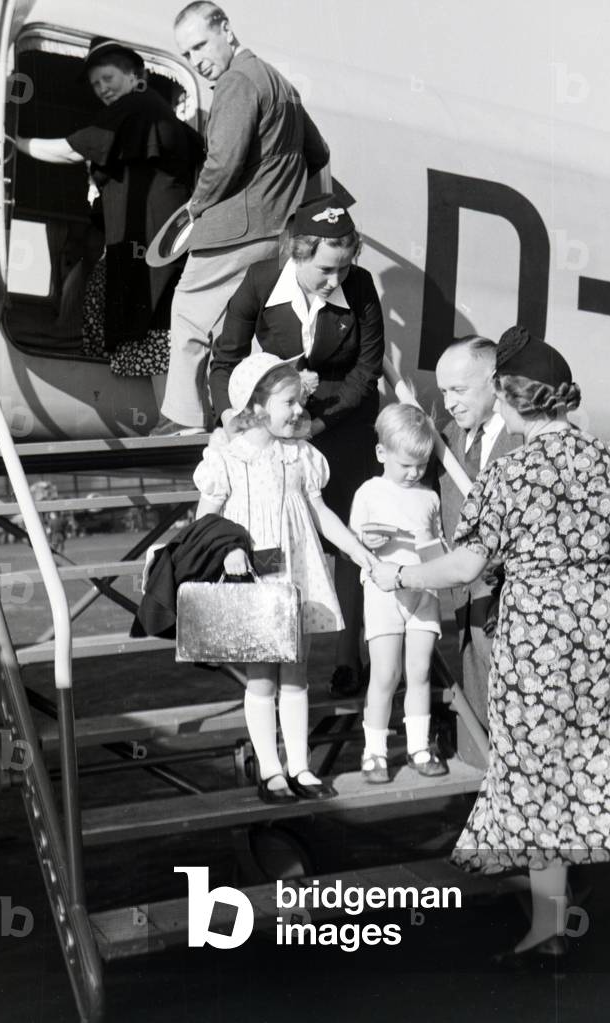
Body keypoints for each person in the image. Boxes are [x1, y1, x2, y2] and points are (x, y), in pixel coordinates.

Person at [370, 326, 610, 967]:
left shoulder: (511, 472)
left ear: (509, 399)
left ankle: (547, 930)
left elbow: (466, 566)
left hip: (533, 638)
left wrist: (402, 575)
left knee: (535, 780)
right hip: (602, 632)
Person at [210, 194, 385, 696]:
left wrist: (319, 427)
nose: (337, 281)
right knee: (276, 533)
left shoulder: (361, 286)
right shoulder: (261, 282)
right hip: (276, 420)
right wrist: (233, 419)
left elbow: (366, 372)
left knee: (345, 537)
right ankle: (274, 655)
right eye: (327, 270)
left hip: (341, 422)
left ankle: (349, 655)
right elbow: (226, 360)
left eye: (345, 268)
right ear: (297, 253)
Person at [192, 353, 375, 804]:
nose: (300, 411)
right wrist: (229, 549)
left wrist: (355, 548)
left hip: (298, 574)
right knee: (262, 678)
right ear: (255, 406)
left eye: (299, 401)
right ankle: (270, 768)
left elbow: (321, 513)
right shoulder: (227, 461)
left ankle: (300, 766)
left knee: (296, 674)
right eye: (289, 402)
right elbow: (205, 522)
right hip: (256, 578)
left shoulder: (301, 456)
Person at [155, 1, 330, 435]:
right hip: (278, 234)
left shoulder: (237, 82)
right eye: (188, 54)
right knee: (234, 328)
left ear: (226, 30)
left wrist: (194, 207)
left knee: (189, 313)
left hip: (234, 230)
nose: (197, 61)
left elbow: (222, 163)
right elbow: (319, 152)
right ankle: (246, 415)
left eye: (200, 46)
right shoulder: (281, 83)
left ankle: (183, 416)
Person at [16, 37, 203, 408]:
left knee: (154, 326)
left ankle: (174, 418)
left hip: (153, 245)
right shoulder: (145, 113)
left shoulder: (138, 106)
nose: (102, 89)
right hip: (146, 244)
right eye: (97, 84)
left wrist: (14, 143)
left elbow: (71, 149)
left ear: (136, 76)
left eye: (108, 78)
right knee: (115, 300)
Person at [349, 404, 448, 783]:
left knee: (420, 670)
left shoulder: (429, 497)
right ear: (382, 454)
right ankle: (374, 751)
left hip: (423, 592)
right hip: (383, 594)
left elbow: (435, 542)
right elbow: (355, 542)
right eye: (406, 464)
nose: (414, 472)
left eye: (421, 465)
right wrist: (366, 541)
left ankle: (419, 747)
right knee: (386, 674)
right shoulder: (370, 491)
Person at [435, 336, 520, 765]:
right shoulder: (446, 439)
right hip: (466, 602)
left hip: (517, 606)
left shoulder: (526, 439)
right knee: (478, 707)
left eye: (459, 390)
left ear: (494, 381)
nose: (449, 402)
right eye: (443, 391)